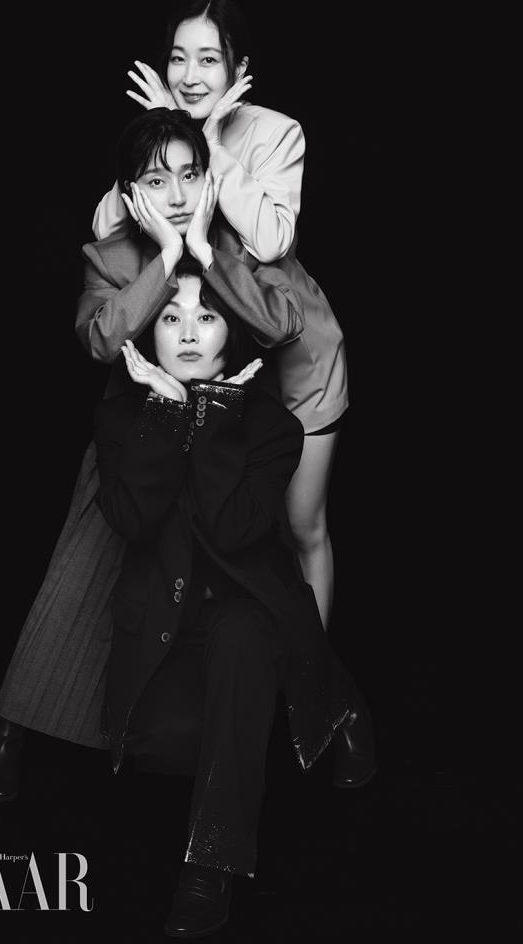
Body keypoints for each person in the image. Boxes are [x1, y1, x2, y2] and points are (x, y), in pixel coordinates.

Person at [0, 108, 318, 800]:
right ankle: (8, 730)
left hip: (224, 440)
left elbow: (282, 325)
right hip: (138, 437)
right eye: (157, 180)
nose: (178, 194)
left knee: (239, 587)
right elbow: (102, 339)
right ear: (131, 192)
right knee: (80, 581)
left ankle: (310, 715)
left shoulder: (239, 245)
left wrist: (207, 250)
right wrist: (164, 256)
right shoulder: (113, 256)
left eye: (190, 174)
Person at [94, 266, 373, 937]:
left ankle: (207, 871)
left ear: (233, 335)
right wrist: (166, 415)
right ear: (150, 334)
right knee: (162, 746)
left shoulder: (272, 426)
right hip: (167, 626)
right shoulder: (120, 417)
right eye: (171, 318)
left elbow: (232, 530)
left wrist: (214, 417)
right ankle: (337, 696)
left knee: (244, 638)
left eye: (207, 317)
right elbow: (133, 520)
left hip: (249, 612)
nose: (189, 333)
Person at [93, 0, 348, 633]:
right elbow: (104, 228)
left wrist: (206, 139)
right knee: (226, 528)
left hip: (294, 350)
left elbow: (270, 241)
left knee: (301, 526)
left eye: (209, 59)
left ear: (239, 68)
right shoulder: (163, 133)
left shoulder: (276, 132)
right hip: (219, 350)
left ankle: (315, 677)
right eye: (178, 58)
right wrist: (165, 133)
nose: (190, 76)